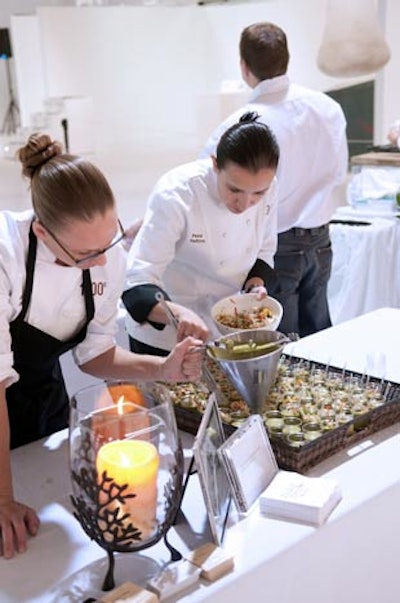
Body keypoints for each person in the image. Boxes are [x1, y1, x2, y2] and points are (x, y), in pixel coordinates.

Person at [0, 133, 203, 559]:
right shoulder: (7, 256)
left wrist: (163, 368)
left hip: (44, 402)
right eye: (84, 254)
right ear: (41, 230)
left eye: (107, 244)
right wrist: (3, 500)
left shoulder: (106, 257)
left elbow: (96, 354)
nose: (100, 261)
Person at [200, 22, 349, 338]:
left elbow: (205, 186)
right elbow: (338, 172)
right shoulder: (328, 107)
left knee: (279, 344)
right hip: (321, 238)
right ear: (287, 59)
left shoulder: (242, 124)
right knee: (320, 337)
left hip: (275, 248)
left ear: (243, 66)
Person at [123, 112, 279, 355]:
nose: (245, 203)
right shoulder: (177, 193)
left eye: (258, 193)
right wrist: (180, 314)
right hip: (166, 336)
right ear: (215, 164)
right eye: (234, 189)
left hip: (228, 329)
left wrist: (254, 288)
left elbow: (265, 246)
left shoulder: (270, 186)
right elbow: (137, 281)